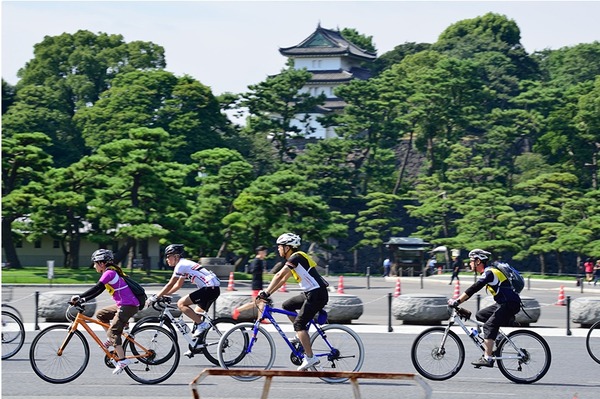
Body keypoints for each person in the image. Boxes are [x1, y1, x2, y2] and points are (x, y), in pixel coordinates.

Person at [256, 233, 329, 371]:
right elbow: (283, 280)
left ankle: (310, 357)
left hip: (316, 294)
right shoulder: (295, 259)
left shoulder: (296, 257)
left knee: (299, 323)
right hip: (311, 293)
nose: (278, 249)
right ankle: (300, 334)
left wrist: (265, 292)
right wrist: (268, 293)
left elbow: (278, 275)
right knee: (287, 306)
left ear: (288, 247)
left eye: (280, 246)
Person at [70, 249, 140, 375]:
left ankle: (123, 360)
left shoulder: (109, 273)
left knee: (114, 332)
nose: (94, 266)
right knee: (101, 314)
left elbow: (97, 287)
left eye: (95, 263)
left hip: (128, 305)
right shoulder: (110, 272)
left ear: (102, 263)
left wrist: (80, 297)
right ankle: (112, 337)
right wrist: (84, 299)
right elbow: (99, 290)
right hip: (125, 304)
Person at [447, 248, 521, 368]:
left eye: (471, 261)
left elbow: (474, 288)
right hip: (503, 303)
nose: (469, 263)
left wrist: (457, 301)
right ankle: (499, 339)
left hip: (510, 304)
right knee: (481, 315)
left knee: (489, 326)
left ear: (478, 262)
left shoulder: (489, 273)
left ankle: (488, 358)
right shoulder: (488, 272)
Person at [146, 244, 220, 352]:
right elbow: (177, 286)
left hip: (209, 289)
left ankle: (202, 325)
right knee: (197, 314)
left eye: (168, 256)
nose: (167, 259)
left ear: (176, 256)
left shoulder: (181, 265)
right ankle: (197, 345)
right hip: (212, 289)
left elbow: (170, 284)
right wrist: (165, 295)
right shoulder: (184, 265)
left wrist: (156, 297)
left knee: (181, 304)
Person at [232, 245, 269, 319]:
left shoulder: (259, 261)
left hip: (258, 284)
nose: (265, 254)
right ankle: (237, 310)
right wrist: (262, 271)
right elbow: (252, 270)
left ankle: (260, 318)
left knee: (261, 302)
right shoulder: (256, 261)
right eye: (264, 252)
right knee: (256, 303)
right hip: (256, 285)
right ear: (260, 252)